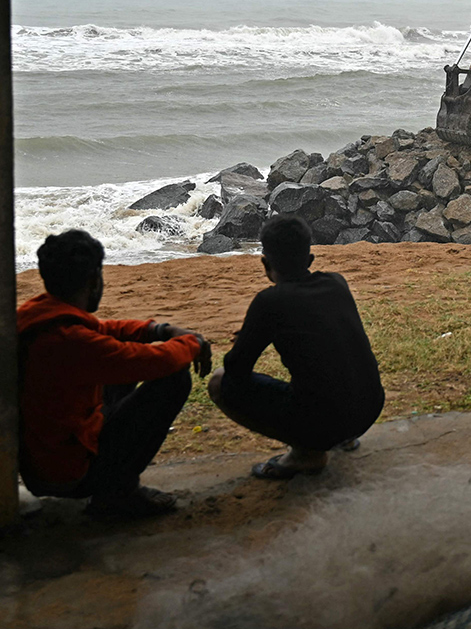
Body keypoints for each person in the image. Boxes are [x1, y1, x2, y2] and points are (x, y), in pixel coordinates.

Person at [17, 229, 211, 518]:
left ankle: (115, 488)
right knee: (175, 378)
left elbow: (102, 331)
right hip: (69, 473)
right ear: (95, 280)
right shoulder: (71, 341)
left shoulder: (36, 314)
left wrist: (157, 329)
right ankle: (117, 494)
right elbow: (149, 361)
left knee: (126, 356)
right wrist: (193, 344)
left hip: (44, 457)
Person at [207, 214, 385, 479]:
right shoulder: (337, 283)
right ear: (310, 259)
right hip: (369, 408)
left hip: (323, 422)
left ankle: (306, 455)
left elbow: (236, 368)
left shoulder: (269, 302)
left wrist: (250, 337)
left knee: (219, 382)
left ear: (265, 264)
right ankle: (343, 439)